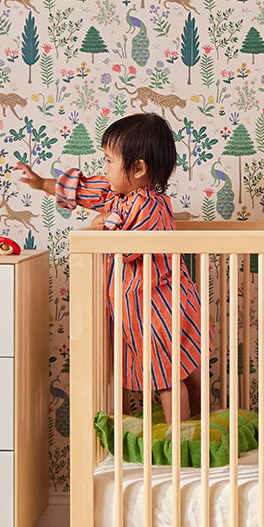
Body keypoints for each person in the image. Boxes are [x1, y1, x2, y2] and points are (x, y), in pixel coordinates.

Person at [15, 113, 204, 423]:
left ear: (139, 168)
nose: (104, 169)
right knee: (175, 368)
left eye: (109, 161)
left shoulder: (151, 205)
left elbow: (131, 244)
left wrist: (105, 227)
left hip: (159, 307)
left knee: (168, 376)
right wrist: (41, 183)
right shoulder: (120, 196)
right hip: (138, 309)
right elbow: (86, 190)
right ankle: (195, 422)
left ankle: (182, 443)